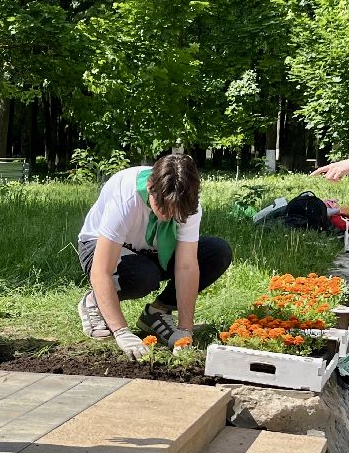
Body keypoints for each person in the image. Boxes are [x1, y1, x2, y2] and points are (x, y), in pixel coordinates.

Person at [76, 154, 232, 359]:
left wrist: (185, 330)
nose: (169, 216)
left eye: (177, 213)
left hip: (150, 251)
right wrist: (122, 332)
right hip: (99, 248)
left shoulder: (187, 201)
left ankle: (157, 312)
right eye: (164, 209)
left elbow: (186, 266)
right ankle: (95, 300)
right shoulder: (126, 196)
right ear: (151, 188)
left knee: (217, 252)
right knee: (143, 277)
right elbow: (101, 270)